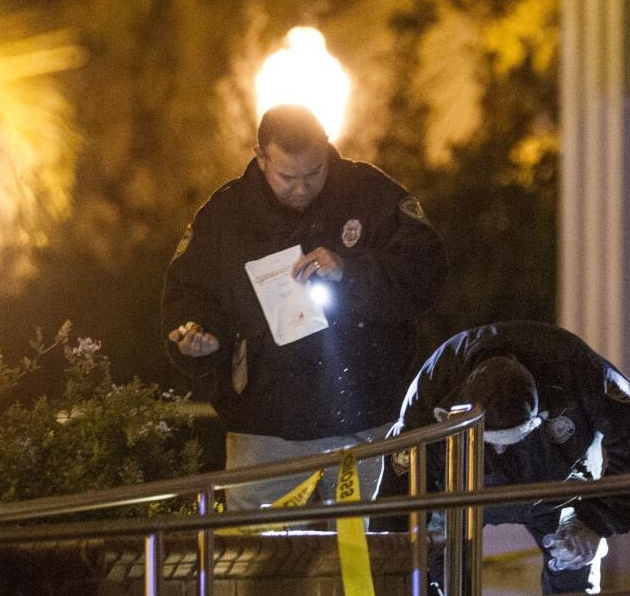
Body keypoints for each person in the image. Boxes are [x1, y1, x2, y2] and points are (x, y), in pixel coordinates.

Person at [162, 104, 447, 511]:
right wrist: (195, 334)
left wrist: (350, 272)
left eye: (313, 174)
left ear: (328, 147)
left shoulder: (371, 195)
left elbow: (427, 272)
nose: (301, 187)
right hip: (264, 426)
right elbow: (190, 293)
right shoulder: (225, 216)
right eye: (287, 177)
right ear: (260, 157)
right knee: (257, 561)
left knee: (363, 559)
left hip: (362, 418)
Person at [394, 321, 630, 596]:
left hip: (557, 487)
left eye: (513, 440)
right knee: (436, 576)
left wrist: (597, 520)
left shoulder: (577, 370)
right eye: (495, 444)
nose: (504, 453)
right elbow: (397, 490)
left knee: (571, 577)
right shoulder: (435, 385)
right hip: (461, 489)